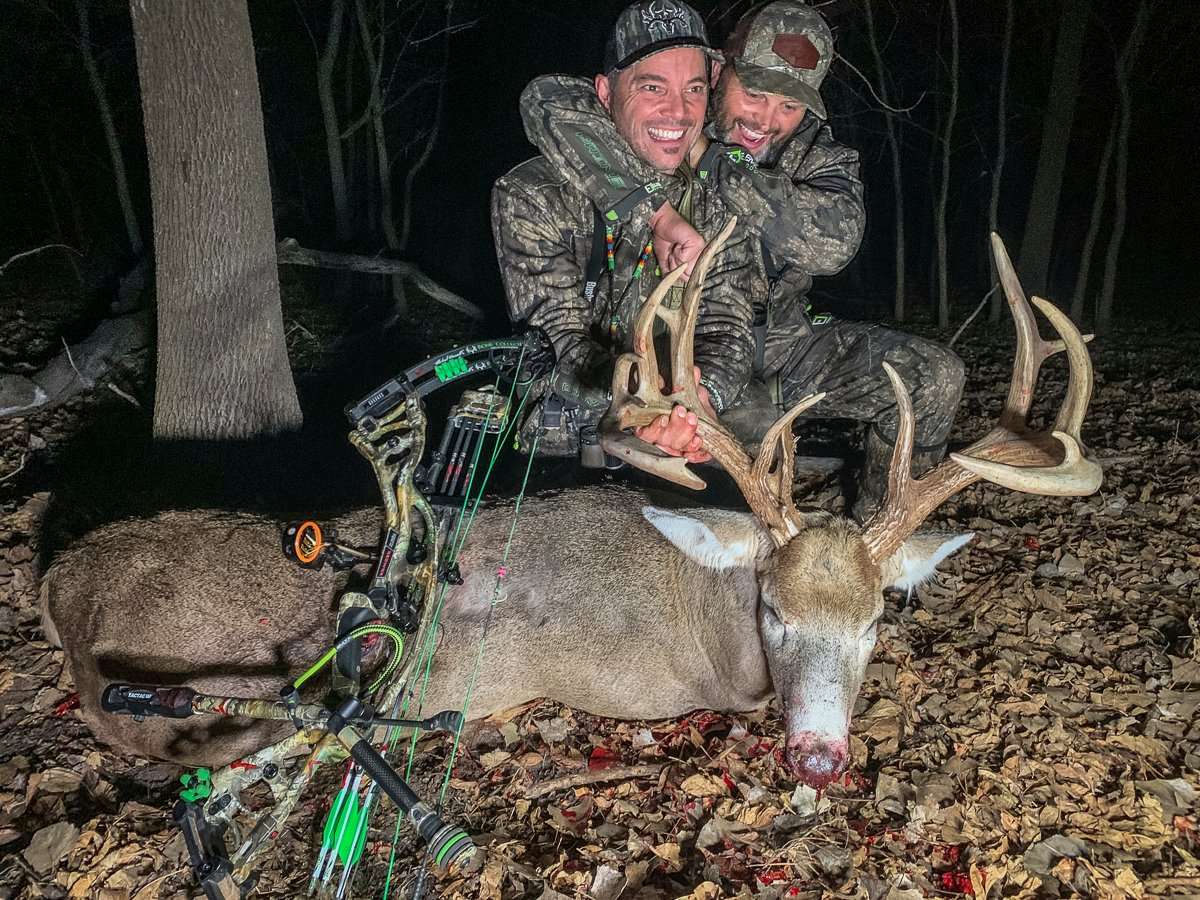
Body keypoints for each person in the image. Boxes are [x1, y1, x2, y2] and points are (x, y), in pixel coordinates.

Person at [515, 1, 966, 518]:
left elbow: (832, 246)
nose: (766, 120)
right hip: (674, 355)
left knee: (935, 377)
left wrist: (713, 159)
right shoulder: (666, 119)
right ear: (717, 70)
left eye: (789, 107)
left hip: (783, 353)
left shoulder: (816, 156)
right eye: (753, 93)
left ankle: (876, 543)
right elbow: (548, 100)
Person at [492, 0, 757, 467]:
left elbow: (729, 329)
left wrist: (700, 398)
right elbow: (559, 340)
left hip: (679, 432)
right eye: (652, 86)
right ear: (604, 92)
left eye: (694, 89)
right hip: (566, 440)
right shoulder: (532, 195)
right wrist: (641, 403)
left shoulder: (717, 201)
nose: (678, 112)